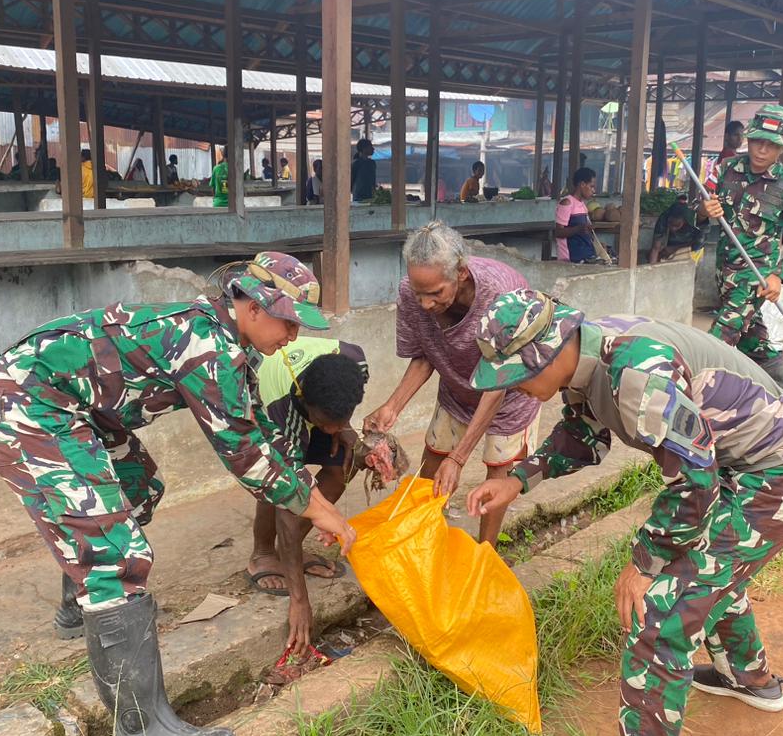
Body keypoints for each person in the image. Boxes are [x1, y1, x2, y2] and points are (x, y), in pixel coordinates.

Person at [0, 252, 355, 736]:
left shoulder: (233, 347)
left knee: (138, 489)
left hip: (79, 411)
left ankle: (76, 605)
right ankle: (139, 731)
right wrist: (323, 514)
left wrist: (321, 501)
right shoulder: (207, 349)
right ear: (252, 307)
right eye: (288, 320)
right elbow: (246, 456)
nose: (292, 334)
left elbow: (258, 431)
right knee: (117, 555)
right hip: (26, 406)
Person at [467, 289, 783, 736]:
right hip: (744, 465)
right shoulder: (588, 359)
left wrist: (643, 564)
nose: (514, 388)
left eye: (516, 375)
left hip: (780, 474)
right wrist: (520, 479)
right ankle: (749, 679)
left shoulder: (636, 375)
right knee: (713, 574)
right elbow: (584, 435)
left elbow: (695, 481)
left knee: (661, 612)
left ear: (547, 353)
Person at [363, 222, 541, 546]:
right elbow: (423, 356)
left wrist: (459, 459)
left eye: (435, 294)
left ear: (460, 272)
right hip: (456, 392)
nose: (425, 304)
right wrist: (392, 406)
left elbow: (497, 384)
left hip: (511, 395)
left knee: (497, 471)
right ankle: (424, 541)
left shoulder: (500, 295)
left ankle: (485, 552)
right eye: (419, 293)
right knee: (433, 463)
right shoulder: (410, 293)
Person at [248, 337, 369, 651]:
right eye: (325, 424)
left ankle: (292, 553)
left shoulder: (355, 362)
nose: (331, 430)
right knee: (276, 487)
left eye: (339, 420)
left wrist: (343, 427)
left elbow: (337, 414)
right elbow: (289, 499)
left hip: (316, 403)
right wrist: (299, 601)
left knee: (344, 462)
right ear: (308, 406)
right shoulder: (279, 409)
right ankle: (263, 553)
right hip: (273, 409)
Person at [699, 103, 783, 395]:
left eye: (771, 145)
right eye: (757, 141)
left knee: (717, 341)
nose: (762, 150)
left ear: (782, 148)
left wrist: (778, 276)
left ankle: (699, 398)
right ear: (748, 139)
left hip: (755, 278)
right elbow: (694, 214)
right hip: (724, 272)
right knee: (754, 343)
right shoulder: (725, 170)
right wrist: (704, 210)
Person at [555, 169, 599, 263]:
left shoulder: (582, 205)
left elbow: (585, 232)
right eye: (591, 186)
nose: (593, 190)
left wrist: (596, 244)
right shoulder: (567, 203)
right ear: (582, 184)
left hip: (585, 255)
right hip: (570, 258)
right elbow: (558, 232)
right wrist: (578, 229)